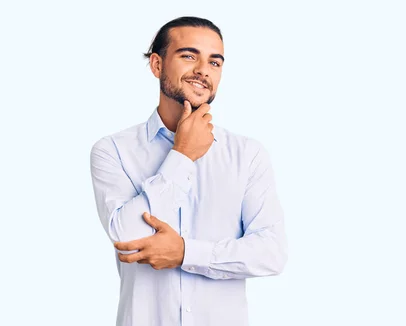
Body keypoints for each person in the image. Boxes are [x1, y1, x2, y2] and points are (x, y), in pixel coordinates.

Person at [89, 16, 287, 326]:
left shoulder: (247, 155)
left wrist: (185, 253)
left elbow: (271, 252)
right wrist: (181, 155)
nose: (203, 70)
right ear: (157, 65)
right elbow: (127, 236)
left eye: (215, 62)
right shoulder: (113, 150)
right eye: (189, 56)